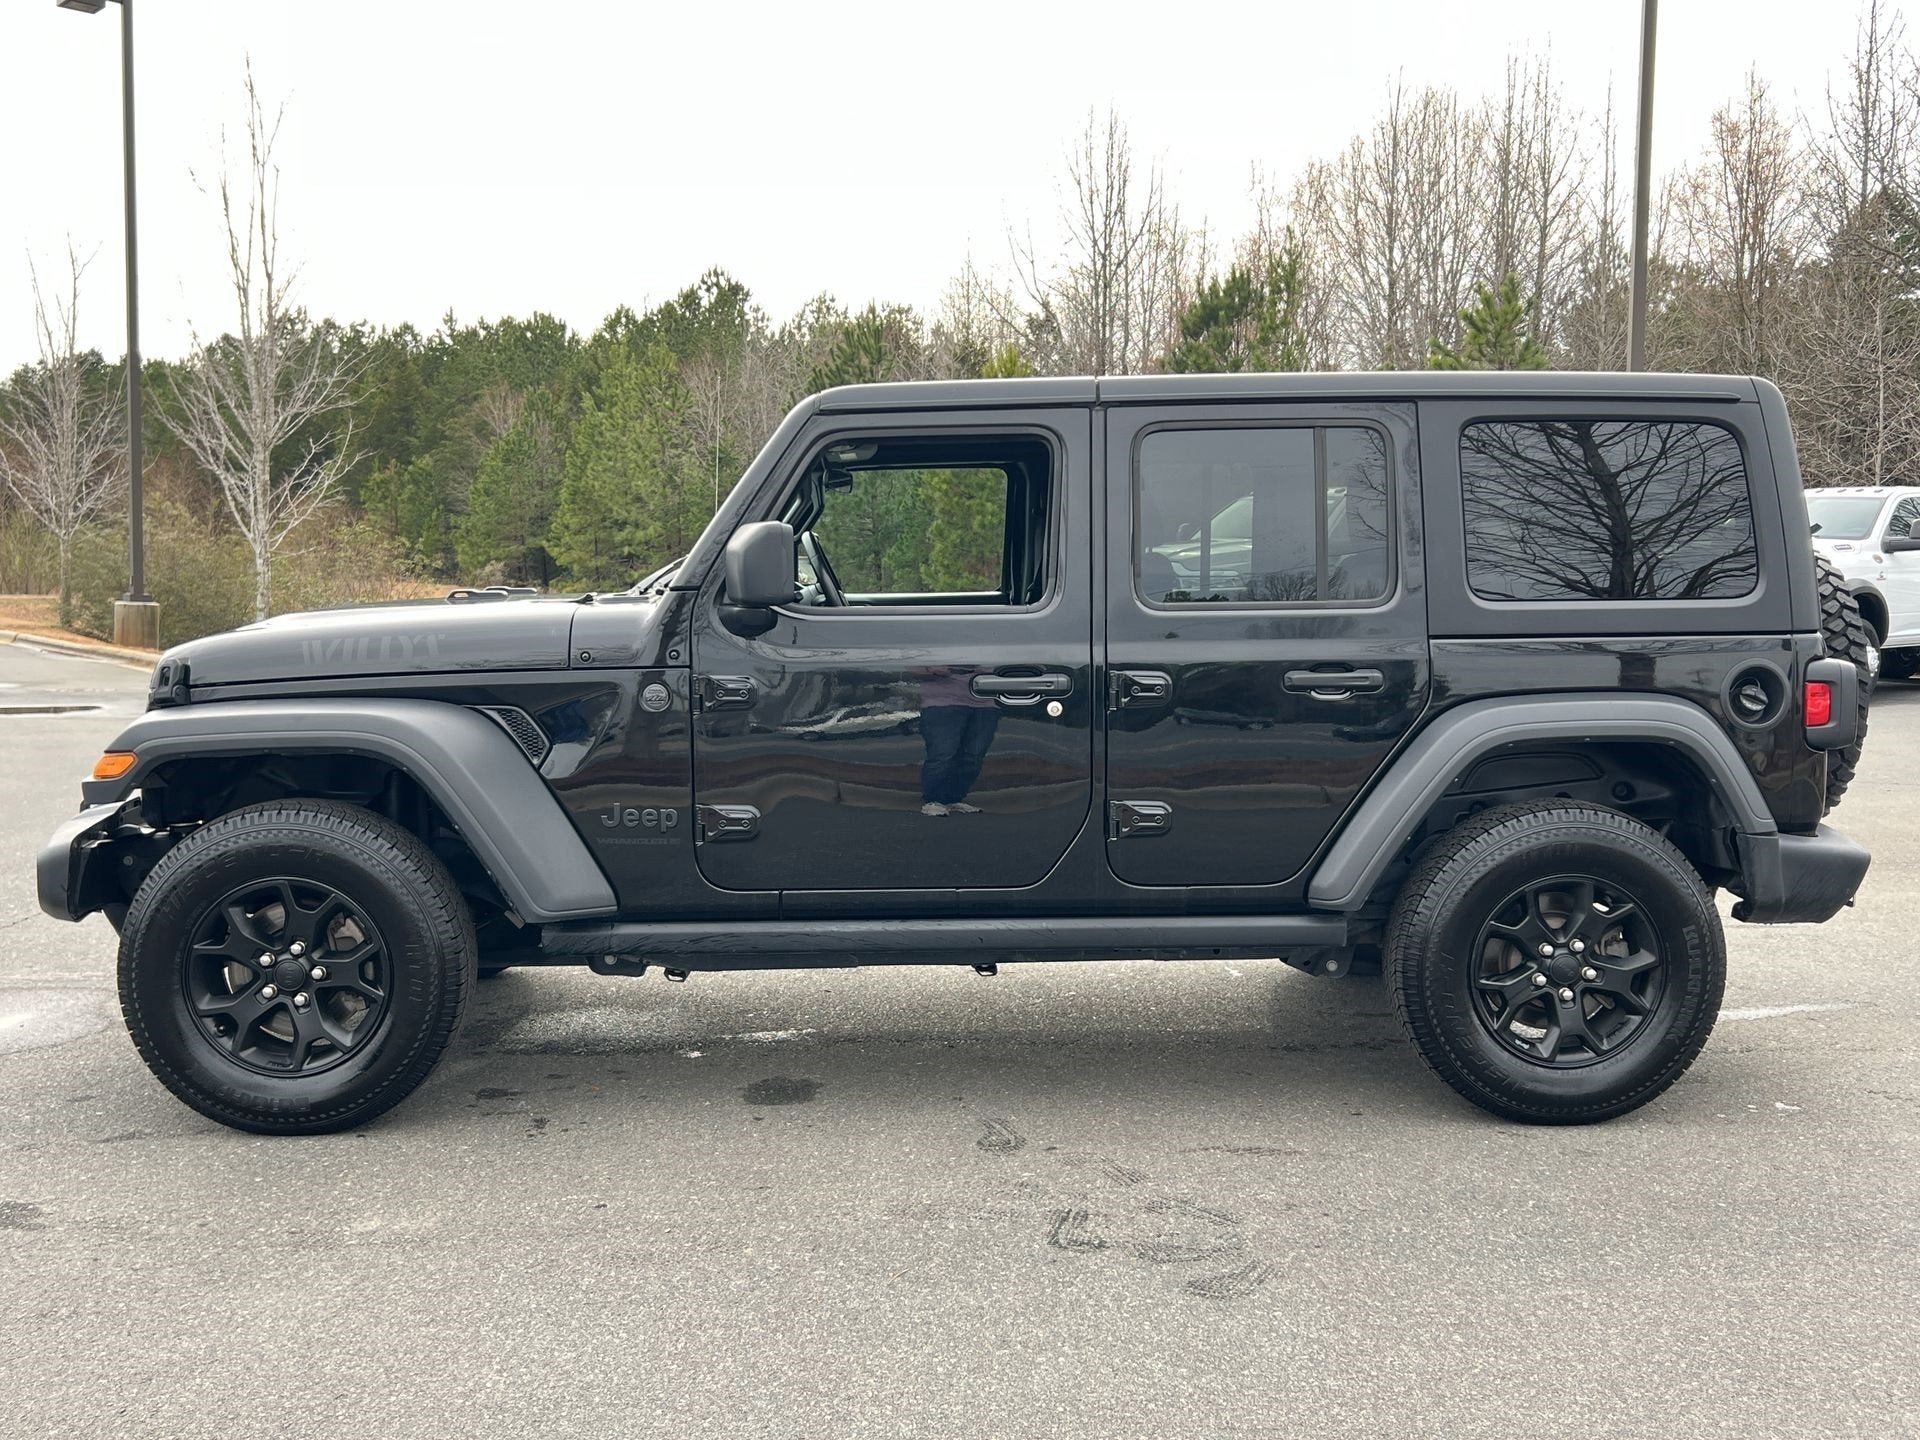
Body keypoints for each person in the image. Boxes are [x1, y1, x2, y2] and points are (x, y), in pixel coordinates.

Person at [915, 666, 999, 816]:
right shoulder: (930, 644)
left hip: (985, 701)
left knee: (974, 754)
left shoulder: (988, 644)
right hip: (941, 701)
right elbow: (914, 669)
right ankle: (933, 800)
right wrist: (939, 669)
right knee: (942, 753)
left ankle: (954, 798)